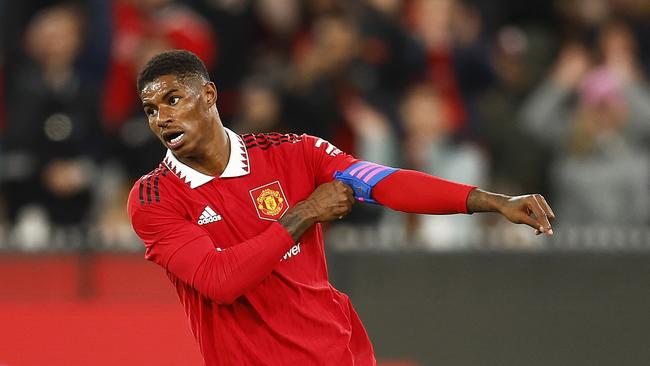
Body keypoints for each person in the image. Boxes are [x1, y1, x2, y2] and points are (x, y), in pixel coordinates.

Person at [127, 50, 555, 366]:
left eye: (173, 100)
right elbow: (220, 281)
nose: (161, 118)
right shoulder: (154, 198)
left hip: (337, 354)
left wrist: (492, 201)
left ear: (209, 94)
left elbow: (383, 183)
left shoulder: (292, 152)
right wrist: (304, 213)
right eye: (150, 110)